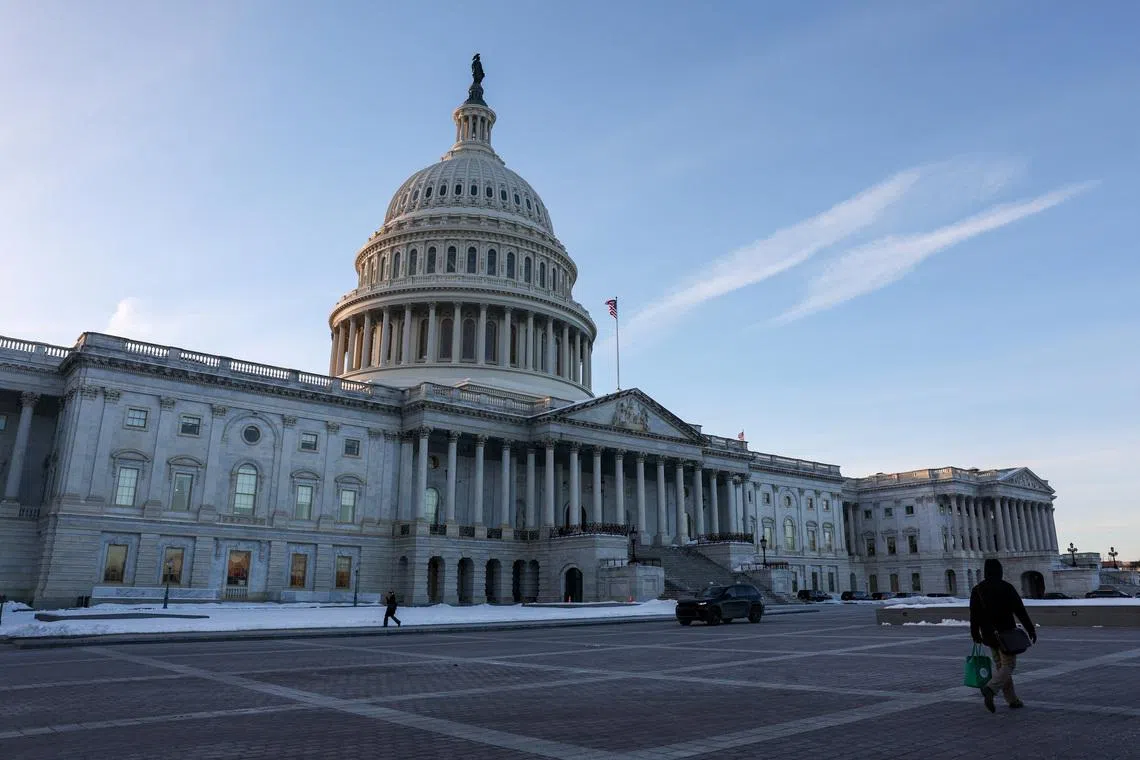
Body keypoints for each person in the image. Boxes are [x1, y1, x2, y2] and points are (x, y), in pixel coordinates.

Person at [969, 558, 1036, 712]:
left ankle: (1012, 700)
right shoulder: (1006, 587)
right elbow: (1020, 610)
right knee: (1009, 665)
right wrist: (1030, 629)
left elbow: (974, 615)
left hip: (989, 635)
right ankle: (990, 689)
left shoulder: (978, 589)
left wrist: (975, 633)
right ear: (999, 571)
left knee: (1001, 666)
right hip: (1006, 633)